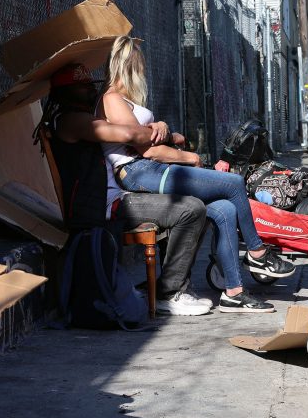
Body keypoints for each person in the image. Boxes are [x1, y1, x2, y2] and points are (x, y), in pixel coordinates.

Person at [99, 36, 295, 314]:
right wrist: (190, 158)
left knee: (226, 209)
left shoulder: (127, 101)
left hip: (151, 170)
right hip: (138, 172)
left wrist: (165, 130)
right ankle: (257, 252)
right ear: (129, 63)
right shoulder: (112, 99)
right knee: (234, 183)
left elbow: (153, 141)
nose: (143, 68)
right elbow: (148, 150)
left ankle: (234, 292)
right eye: (140, 61)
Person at [43, 62, 211, 317]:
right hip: (105, 204)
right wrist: (159, 129)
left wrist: (156, 130)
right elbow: (132, 136)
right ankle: (169, 293)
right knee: (190, 209)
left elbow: (135, 135)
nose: (91, 90)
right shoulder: (73, 120)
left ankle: (166, 284)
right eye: (83, 86)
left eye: (91, 85)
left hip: (113, 196)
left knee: (191, 200)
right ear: (65, 92)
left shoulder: (78, 117)